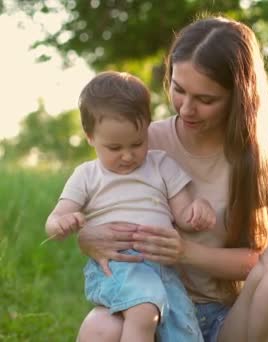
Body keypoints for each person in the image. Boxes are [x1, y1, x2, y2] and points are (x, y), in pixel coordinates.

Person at [76, 16, 268, 342]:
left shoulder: (267, 152)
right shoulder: (143, 143)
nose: (187, 108)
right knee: (100, 325)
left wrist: (185, 252)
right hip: (160, 311)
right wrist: (87, 236)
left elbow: (267, 263)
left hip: (231, 319)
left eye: (206, 100)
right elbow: (97, 201)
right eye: (179, 90)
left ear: (239, 96)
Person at [46, 71, 213, 341]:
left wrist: (198, 209)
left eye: (137, 143)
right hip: (117, 265)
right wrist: (62, 224)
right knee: (144, 309)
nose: (127, 155)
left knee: (184, 331)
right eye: (114, 147)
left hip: (163, 268)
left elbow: (183, 216)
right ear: (90, 137)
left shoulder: (161, 165)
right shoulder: (87, 175)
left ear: (147, 127)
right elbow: (54, 222)